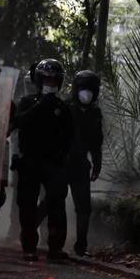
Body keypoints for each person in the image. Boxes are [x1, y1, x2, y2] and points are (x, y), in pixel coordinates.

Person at [36, 69, 103, 257]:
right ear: (76, 88)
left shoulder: (95, 114)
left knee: (83, 207)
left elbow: (97, 142)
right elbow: (51, 136)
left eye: (90, 88)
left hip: (81, 166)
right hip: (61, 164)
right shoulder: (64, 108)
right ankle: (30, 233)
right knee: (52, 201)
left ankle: (81, 246)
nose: (86, 92)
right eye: (83, 87)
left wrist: (97, 165)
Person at [14, 58, 75, 261]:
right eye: (46, 79)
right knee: (27, 205)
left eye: (53, 80)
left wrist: (63, 160)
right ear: (39, 80)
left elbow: (69, 137)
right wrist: (41, 104)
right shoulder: (27, 101)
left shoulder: (62, 108)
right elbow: (20, 123)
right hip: (30, 162)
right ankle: (29, 246)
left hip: (53, 163)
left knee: (56, 204)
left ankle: (55, 248)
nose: (50, 83)